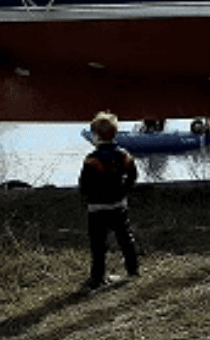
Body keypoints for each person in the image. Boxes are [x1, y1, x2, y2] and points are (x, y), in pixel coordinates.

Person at [78, 111, 140, 290]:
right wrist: (123, 190)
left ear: (96, 135)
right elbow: (133, 176)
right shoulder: (124, 155)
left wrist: (88, 198)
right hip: (118, 204)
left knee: (98, 244)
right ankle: (132, 270)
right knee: (125, 238)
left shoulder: (91, 160)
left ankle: (98, 277)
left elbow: (84, 185)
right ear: (115, 132)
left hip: (96, 207)